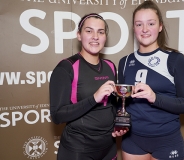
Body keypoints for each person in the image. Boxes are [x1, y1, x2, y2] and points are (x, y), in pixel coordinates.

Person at [117, 1, 184, 160]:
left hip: (167, 140)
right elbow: (121, 101)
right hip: (133, 140)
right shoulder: (124, 62)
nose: (144, 29)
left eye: (150, 23)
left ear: (160, 26)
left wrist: (155, 98)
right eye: (139, 24)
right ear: (134, 28)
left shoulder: (175, 60)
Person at [50, 13, 127, 160]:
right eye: (89, 31)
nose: (95, 37)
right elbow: (58, 115)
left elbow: (113, 105)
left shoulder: (110, 66)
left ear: (105, 36)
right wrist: (94, 98)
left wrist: (120, 124)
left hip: (108, 147)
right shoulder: (66, 67)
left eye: (100, 32)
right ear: (79, 35)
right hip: (78, 149)